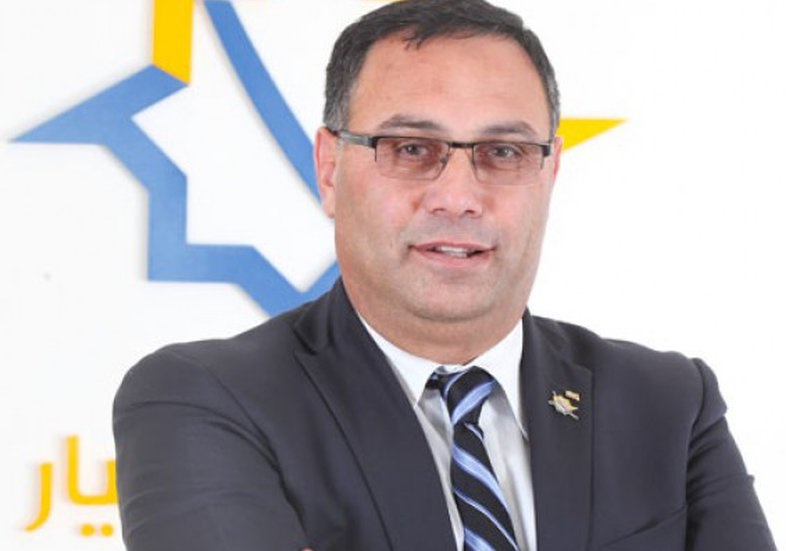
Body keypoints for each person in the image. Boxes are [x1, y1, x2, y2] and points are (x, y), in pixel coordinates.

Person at [113, 0, 776, 550]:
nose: (458, 196)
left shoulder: (669, 404)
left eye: (503, 151)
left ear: (549, 172)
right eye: (410, 148)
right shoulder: (206, 401)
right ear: (330, 169)